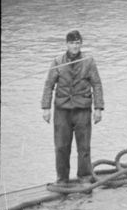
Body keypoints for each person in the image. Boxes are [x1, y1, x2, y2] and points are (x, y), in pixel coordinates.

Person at [40, 30, 104, 185]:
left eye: (77, 43)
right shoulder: (57, 62)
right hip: (62, 111)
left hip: (82, 110)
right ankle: (62, 179)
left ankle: (85, 177)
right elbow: (49, 85)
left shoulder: (89, 61)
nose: (75, 46)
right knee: (61, 147)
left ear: (81, 44)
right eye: (72, 43)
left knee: (84, 147)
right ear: (66, 44)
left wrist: (98, 108)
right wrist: (46, 108)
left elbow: (96, 84)